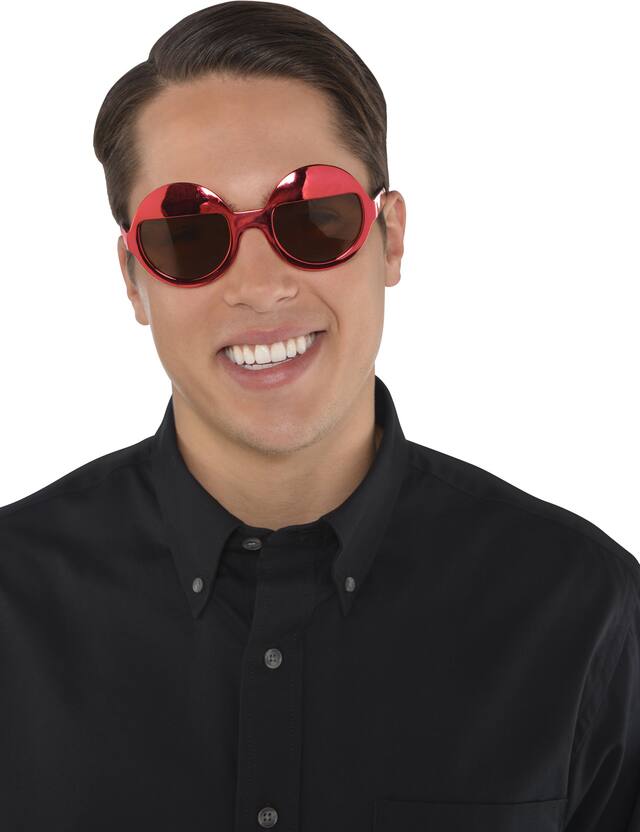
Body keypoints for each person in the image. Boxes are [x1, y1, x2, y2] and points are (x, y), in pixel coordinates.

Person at [1, 2, 638, 830]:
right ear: (134, 279)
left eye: (311, 217)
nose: (260, 286)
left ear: (390, 238)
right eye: (190, 234)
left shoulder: (584, 613)